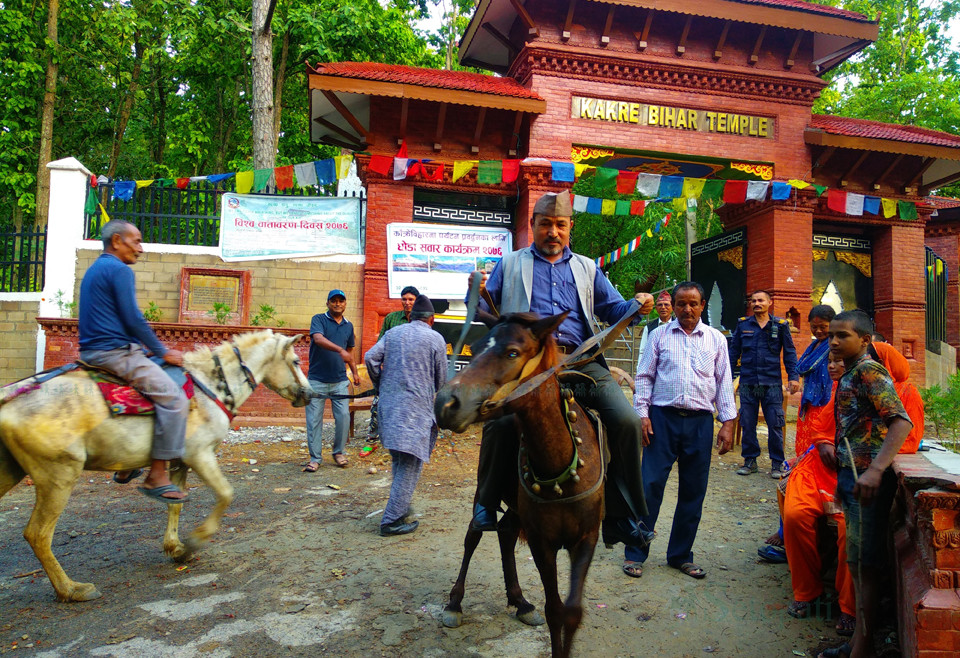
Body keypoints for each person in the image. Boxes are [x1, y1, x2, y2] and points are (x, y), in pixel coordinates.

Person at [471, 191, 655, 549]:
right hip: (529, 364)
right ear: (533, 226)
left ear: (570, 227)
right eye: (545, 224)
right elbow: (482, 309)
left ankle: (620, 516)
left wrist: (638, 305)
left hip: (582, 361)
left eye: (560, 225)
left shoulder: (587, 267)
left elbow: (614, 308)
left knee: (628, 422)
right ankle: (486, 502)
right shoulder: (510, 264)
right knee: (499, 420)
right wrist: (474, 293)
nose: (552, 232)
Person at [627, 281, 737, 579]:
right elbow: (645, 376)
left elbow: (724, 382)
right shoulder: (659, 335)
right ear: (673, 306)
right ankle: (636, 552)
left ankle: (680, 555)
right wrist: (643, 415)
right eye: (681, 304)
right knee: (649, 485)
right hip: (662, 419)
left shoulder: (716, 339)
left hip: (700, 423)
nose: (687, 309)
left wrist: (727, 423)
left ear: (702, 306)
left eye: (694, 303)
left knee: (693, 491)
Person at [818, 310, 913, 658]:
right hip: (852, 476)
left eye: (843, 335)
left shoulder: (870, 371)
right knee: (857, 560)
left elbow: (901, 423)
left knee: (866, 563)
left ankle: (861, 647)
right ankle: (860, 641)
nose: (834, 341)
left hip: (867, 478)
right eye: (831, 335)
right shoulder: (850, 374)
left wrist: (875, 470)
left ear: (866, 340)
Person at [78, 219, 189, 503]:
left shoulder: (96, 269)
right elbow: (133, 318)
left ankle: (128, 466)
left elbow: (113, 320)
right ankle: (157, 476)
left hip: (97, 349)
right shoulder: (118, 270)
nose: (140, 249)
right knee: (175, 399)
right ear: (116, 241)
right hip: (113, 353)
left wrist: (142, 348)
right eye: (136, 241)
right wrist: (162, 351)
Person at [783, 352, 855, 635]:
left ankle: (848, 605)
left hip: (855, 474)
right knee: (794, 515)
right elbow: (820, 431)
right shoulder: (837, 391)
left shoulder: (887, 391)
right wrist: (824, 442)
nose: (835, 366)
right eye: (831, 361)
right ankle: (807, 591)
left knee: (851, 531)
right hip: (818, 469)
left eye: (842, 360)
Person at [364, 294, 447, 536]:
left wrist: (380, 383)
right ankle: (391, 521)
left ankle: (400, 506)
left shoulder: (393, 333)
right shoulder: (435, 339)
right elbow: (441, 380)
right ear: (431, 319)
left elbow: (370, 357)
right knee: (410, 466)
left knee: (400, 462)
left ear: (411, 316)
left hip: (389, 409)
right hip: (415, 412)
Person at [729, 290, 799, 478]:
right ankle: (750, 461)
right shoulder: (743, 325)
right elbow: (733, 353)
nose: (757, 303)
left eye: (761, 300)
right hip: (748, 383)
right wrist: (726, 377)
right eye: (753, 301)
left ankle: (777, 463)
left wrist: (793, 377)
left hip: (772, 384)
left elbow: (790, 353)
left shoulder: (781, 325)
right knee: (748, 422)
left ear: (770, 302)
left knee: (775, 424)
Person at [303, 289, 360, 472]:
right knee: (314, 420)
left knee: (343, 417)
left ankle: (339, 452)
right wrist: (339, 350)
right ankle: (315, 458)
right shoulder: (318, 319)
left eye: (341, 301)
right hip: (316, 380)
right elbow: (318, 339)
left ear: (345, 304)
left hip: (339, 381)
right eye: (333, 301)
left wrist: (354, 372)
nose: (337, 304)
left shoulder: (348, 326)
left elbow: (350, 350)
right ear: (327, 303)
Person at [367, 286, 420, 442]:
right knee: (378, 405)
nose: (407, 302)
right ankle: (372, 438)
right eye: (404, 299)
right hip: (391, 371)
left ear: (416, 301)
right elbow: (379, 346)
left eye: (411, 299)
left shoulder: (422, 321)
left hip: (413, 374)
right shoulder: (392, 318)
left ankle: (408, 438)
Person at [637, 290, 673, 366]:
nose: (663, 307)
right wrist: (639, 368)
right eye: (660, 305)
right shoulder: (649, 327)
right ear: (656, 308)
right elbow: (643, 351)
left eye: (666, 305)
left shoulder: (678, 325)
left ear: (672, 307)